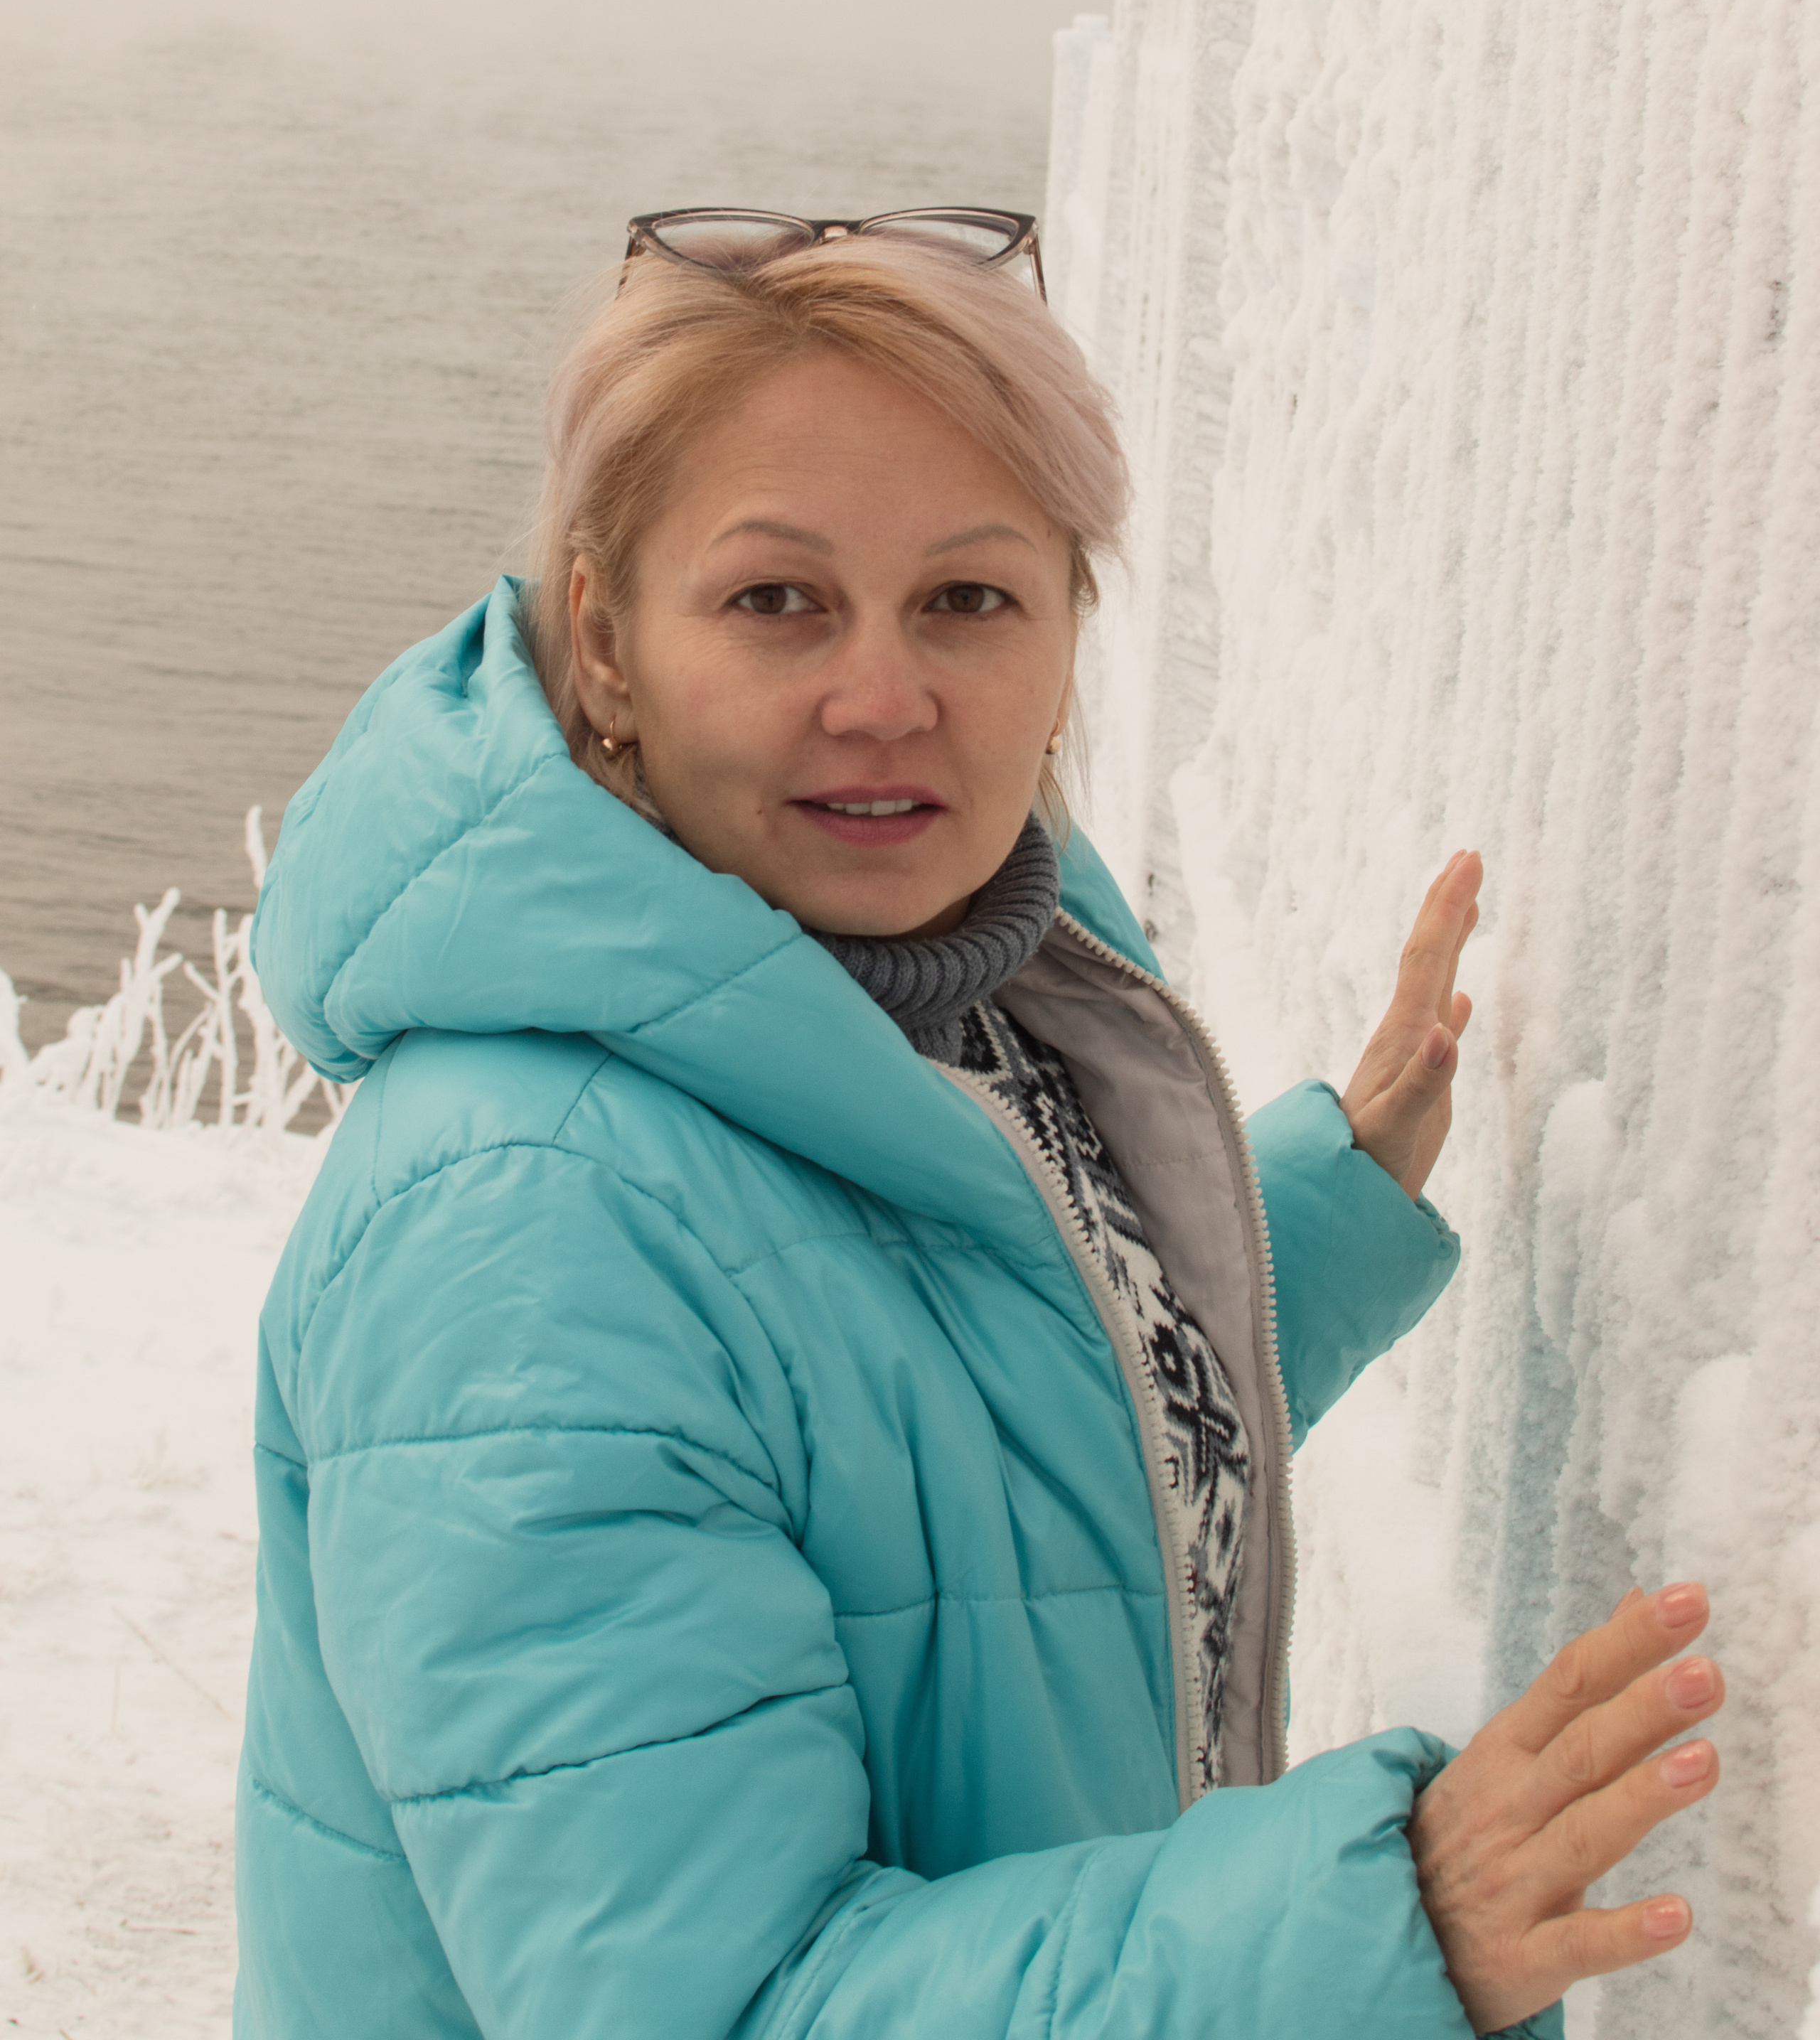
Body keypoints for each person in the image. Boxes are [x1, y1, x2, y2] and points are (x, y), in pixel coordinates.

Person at [235, 210, 1722, 2040]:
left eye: (967, 596)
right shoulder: (521, 1223)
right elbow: (711, 2003)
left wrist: (1312, 1208)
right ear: (606, 645)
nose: (883, 699)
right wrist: (1372, 1926)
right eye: (776, 599)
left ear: (1068, 631)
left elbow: (938, 1406)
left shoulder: (935, 998)